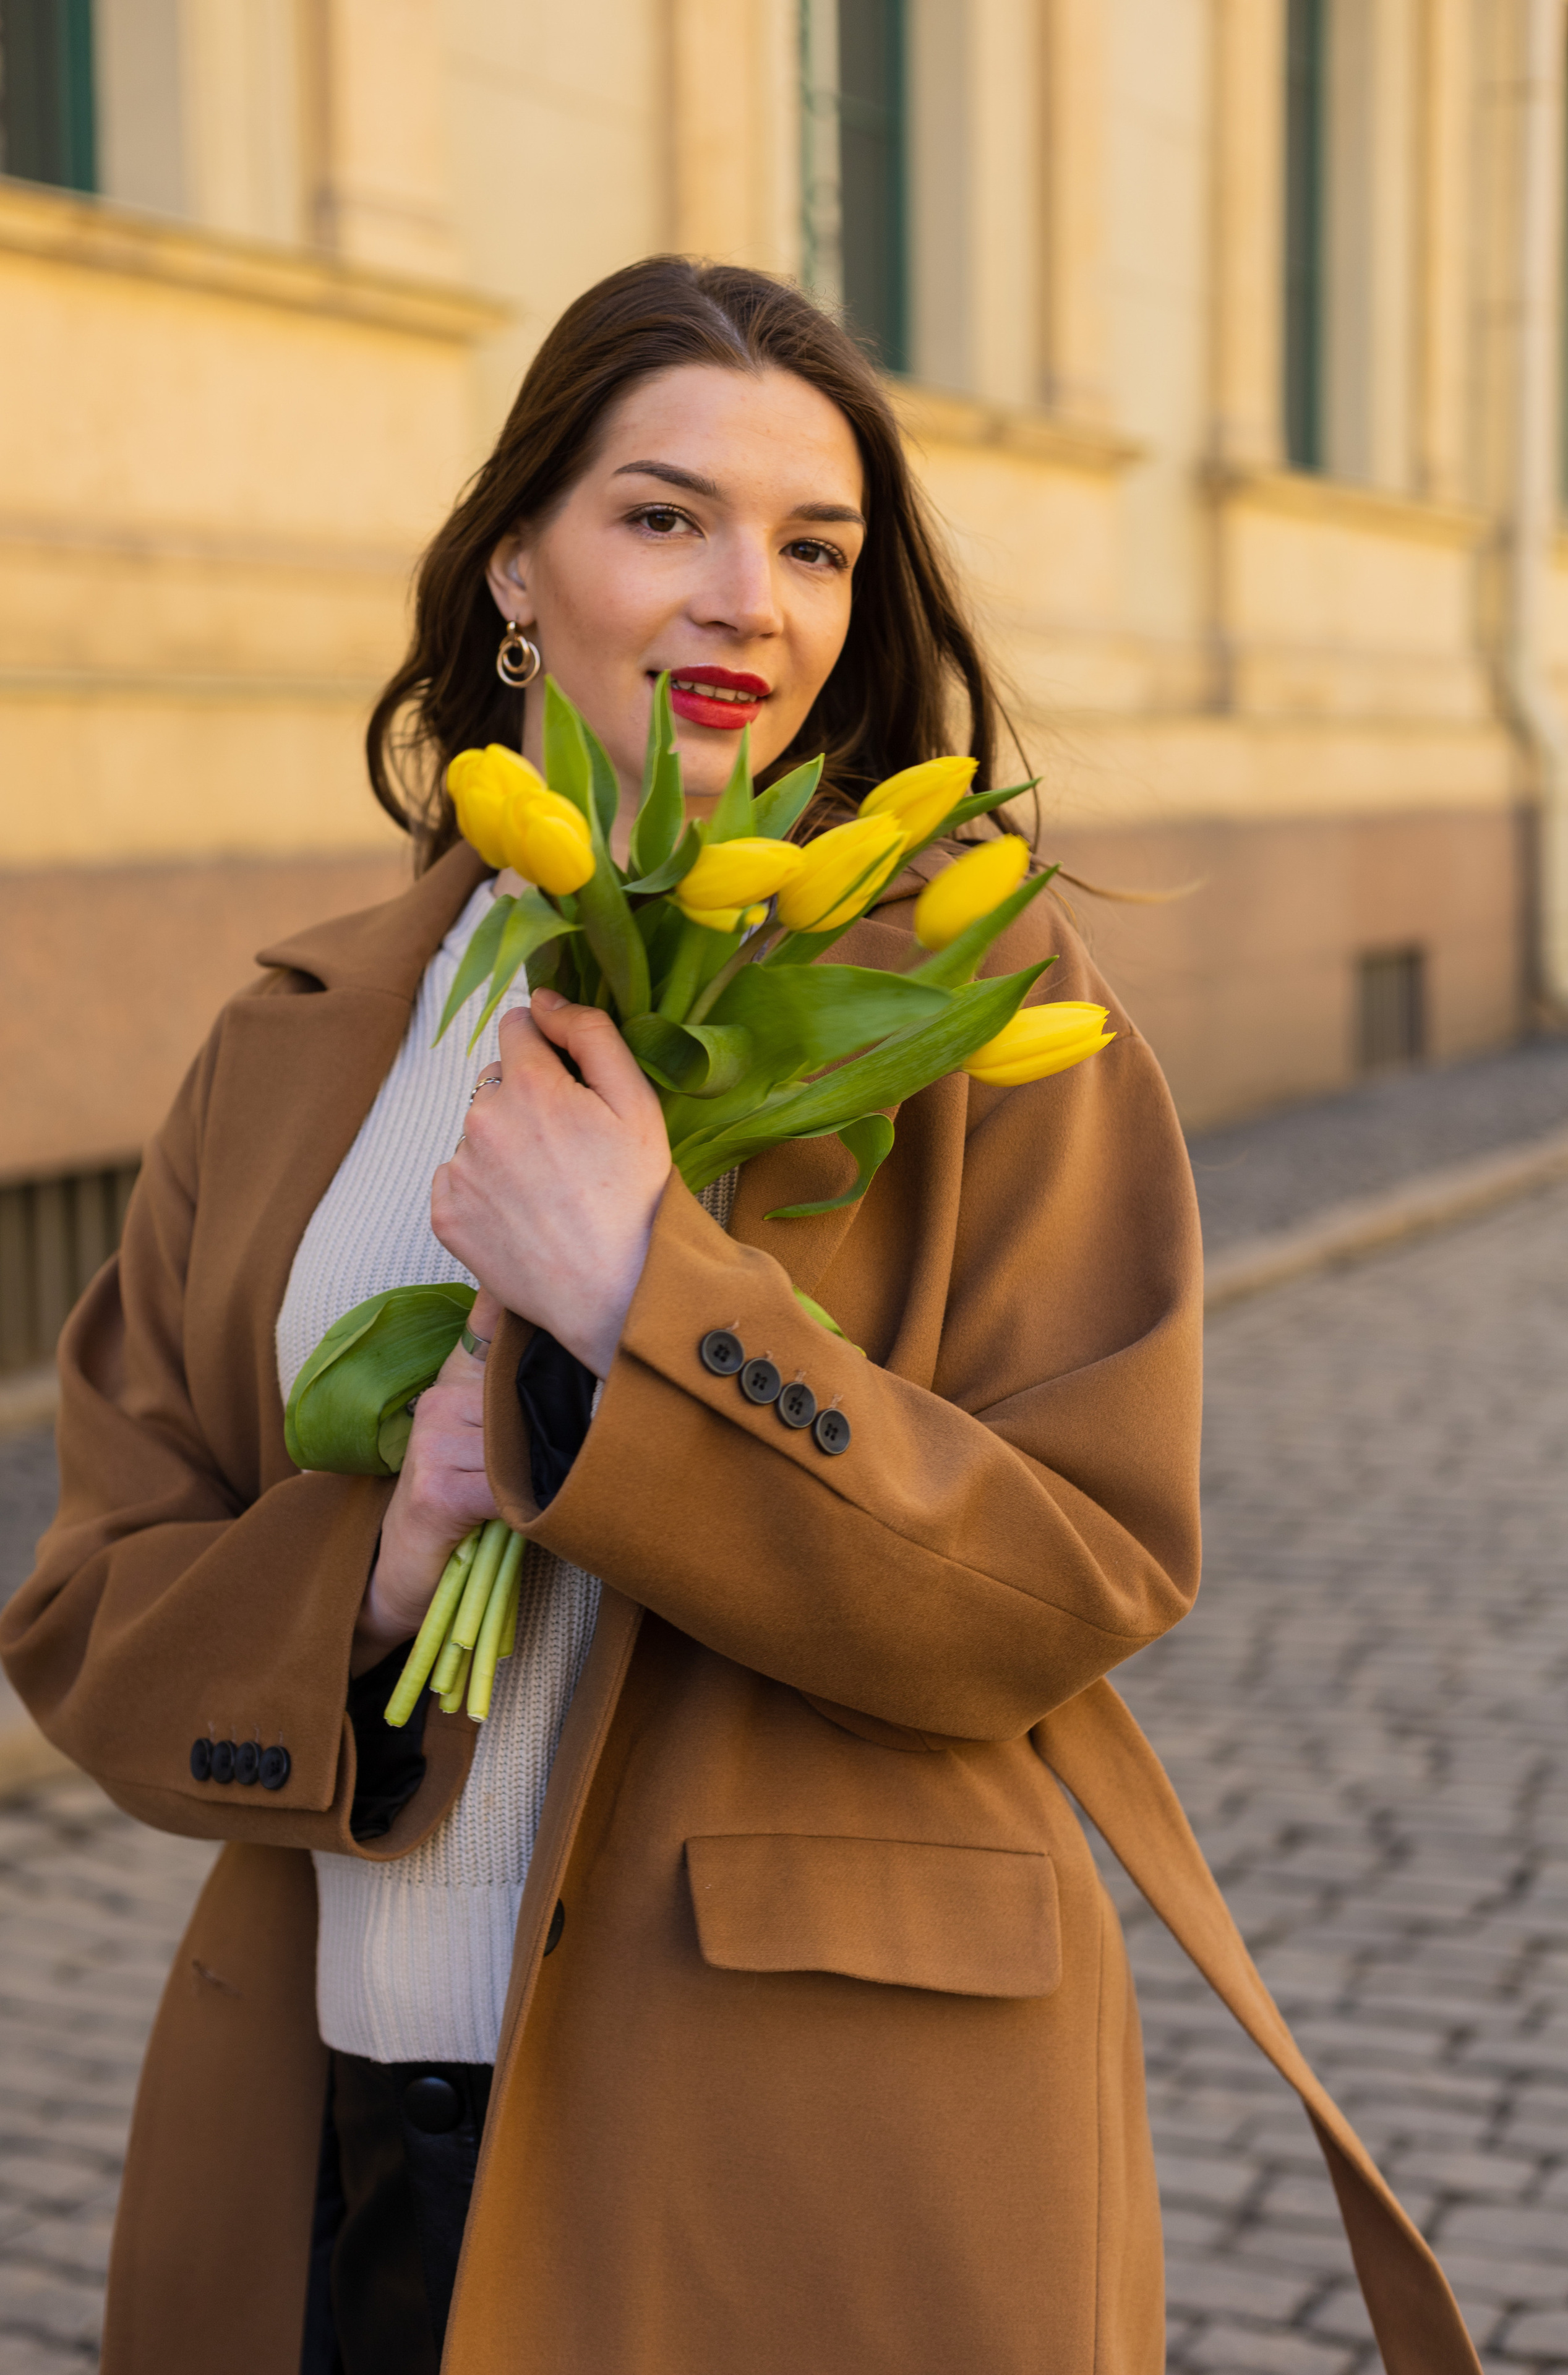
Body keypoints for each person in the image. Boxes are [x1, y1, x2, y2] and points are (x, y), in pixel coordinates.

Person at [1, 259, 1476, 2375]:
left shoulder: (968, 999)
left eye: (814, 548)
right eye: (664, 517)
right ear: (517, 564)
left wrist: (642, 1302)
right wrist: (387, 1558)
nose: (746, 603)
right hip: (335, 2139)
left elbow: (1078, 1571)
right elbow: (88, 1611)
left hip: (803, 2165)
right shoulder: (298, 1036)